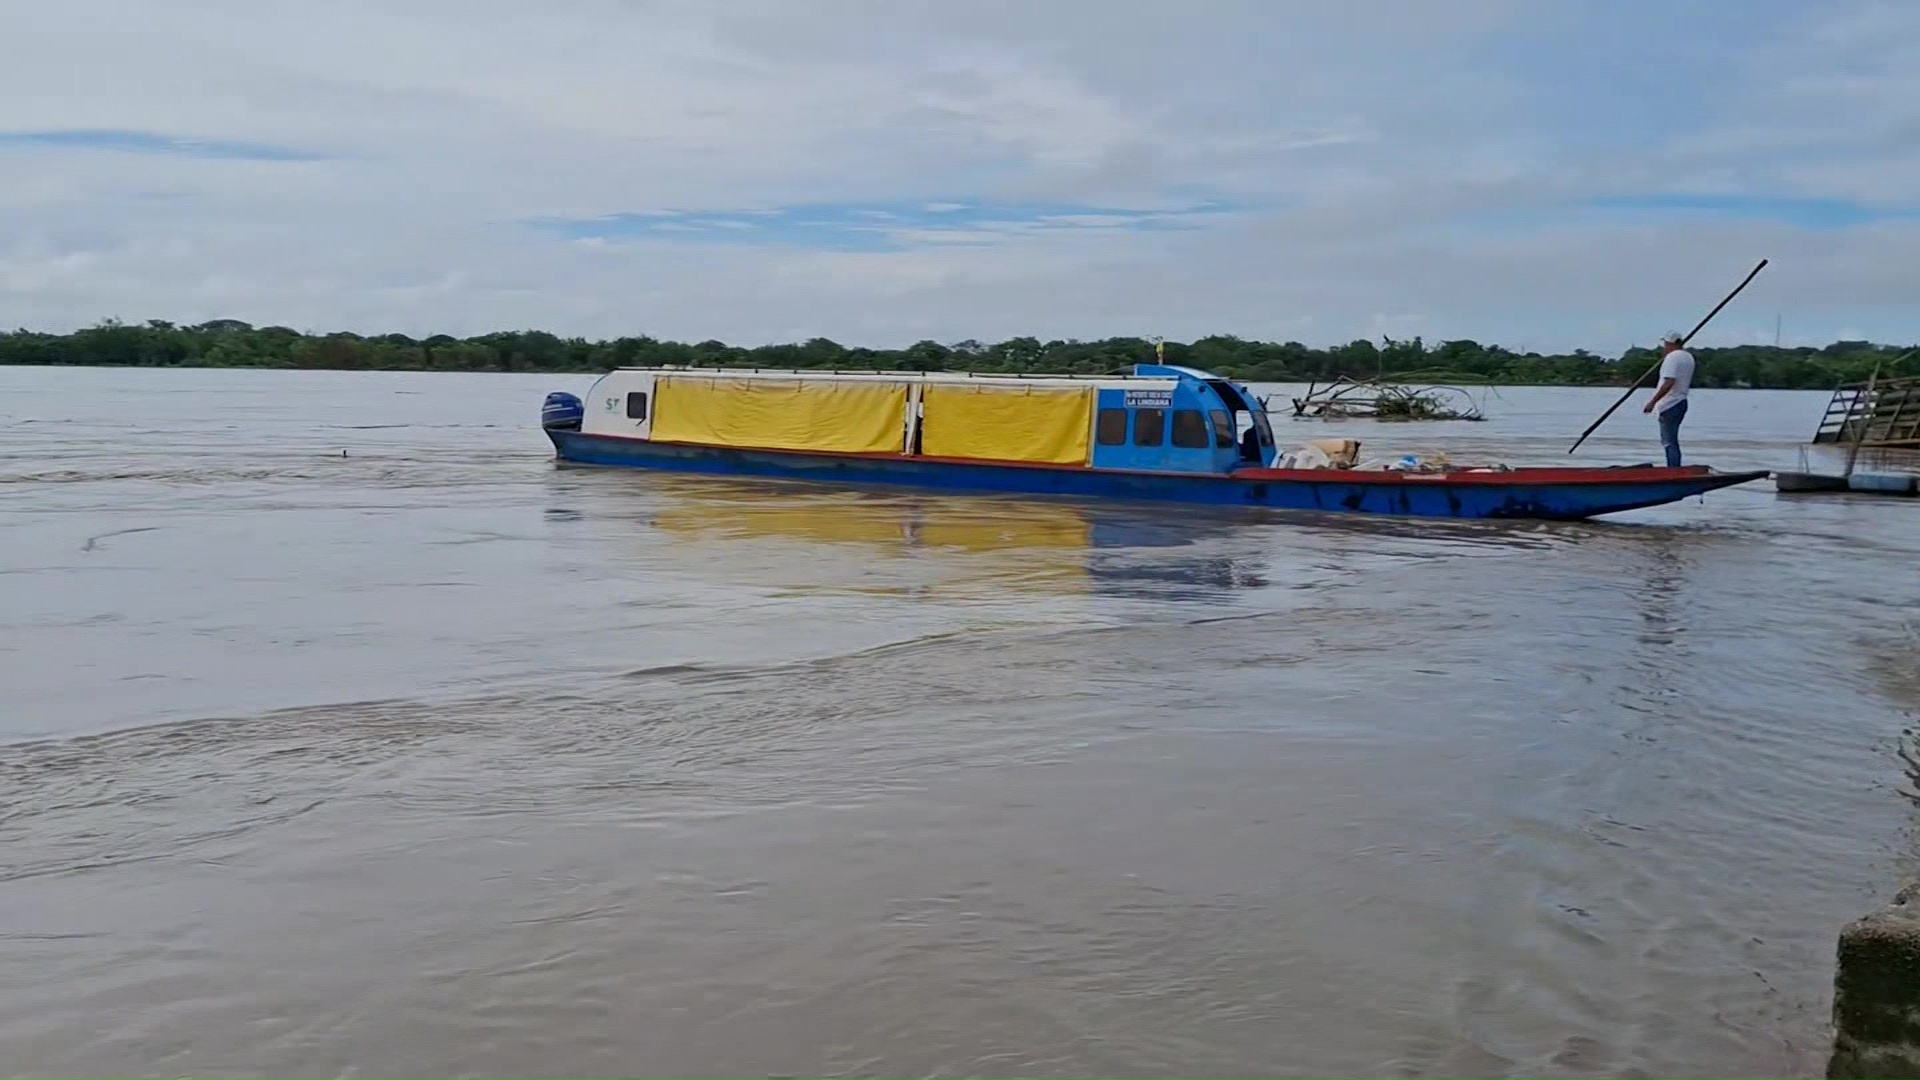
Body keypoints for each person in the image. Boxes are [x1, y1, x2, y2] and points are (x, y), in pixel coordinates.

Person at [1642, 331, 1695, 467]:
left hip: (1670, 403)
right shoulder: (1688, 357)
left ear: (1669, 343)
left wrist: (1652, 402)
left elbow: (1669, 381)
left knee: (1668, 442)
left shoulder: (1672, 358)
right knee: (1672, 440)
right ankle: (1674, 467)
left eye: (1665, 344)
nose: (1664, 347)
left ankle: (1673, 469)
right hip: (1681, 402)